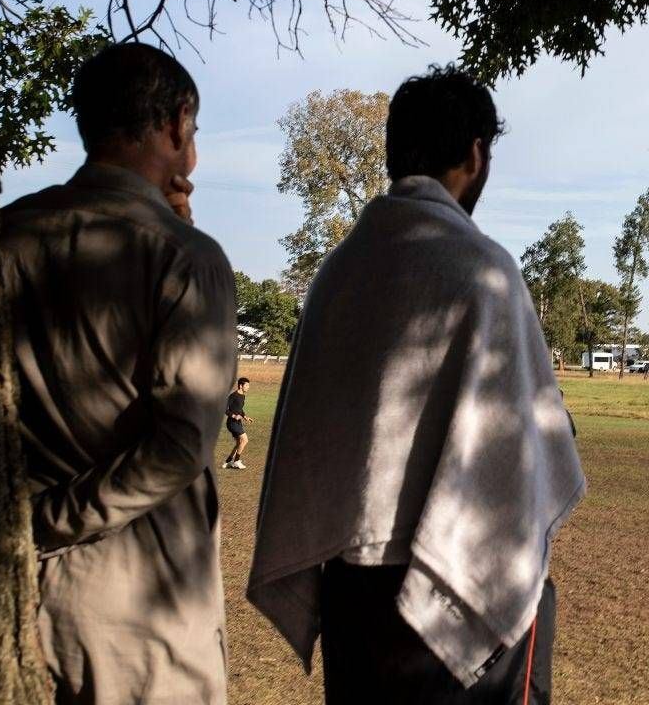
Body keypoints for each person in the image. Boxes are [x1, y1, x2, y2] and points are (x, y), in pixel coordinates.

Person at [247, 65, 585, 704]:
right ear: (476, 155)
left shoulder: (338, 274)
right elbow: (534, 443)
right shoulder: (485, 271)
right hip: (461, 583)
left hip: (352, 595)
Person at [0, 44, 236, 703]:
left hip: (18, 597)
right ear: (177, 125)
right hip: (142, 614)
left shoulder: (5, 236)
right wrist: (47, 521)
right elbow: (179, 447)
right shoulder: (185, 259)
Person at [223, 376, 254, 469]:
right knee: (245, 440)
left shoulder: (242, 396)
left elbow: (239, 409)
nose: (248, 387)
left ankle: (228, 462)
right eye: (246, 385)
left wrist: (245, 417)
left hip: (238, 423)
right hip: (232, 423)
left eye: (248, 385)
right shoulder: (233, 396)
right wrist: (234, 416)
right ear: (241, 386)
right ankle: (236, 461)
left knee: (239, 442)